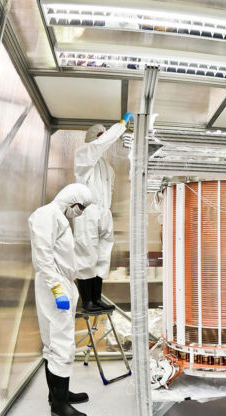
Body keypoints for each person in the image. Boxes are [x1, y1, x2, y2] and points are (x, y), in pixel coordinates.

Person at [29, 183, 93, 416]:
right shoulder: (47, 214)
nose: (81, 212)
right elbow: (42, 255)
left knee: (57, 341)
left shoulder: (58, 217)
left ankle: (58, 394)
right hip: (53, 284)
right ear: (70, 201)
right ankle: (59, 406)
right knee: (61, 343)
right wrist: (57, 289)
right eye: (80, 207)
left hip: (60, 283)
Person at [74, 113, 134, 312]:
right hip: (88, 212)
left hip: (103, 213)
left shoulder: (107, 167)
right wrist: (121, 126)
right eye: (100, 136)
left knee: (102, 255)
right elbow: (100, 145)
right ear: (93, 140)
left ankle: (96, 298)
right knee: (86, 253)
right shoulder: (84, 155)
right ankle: (87, 301)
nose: (104, 139)